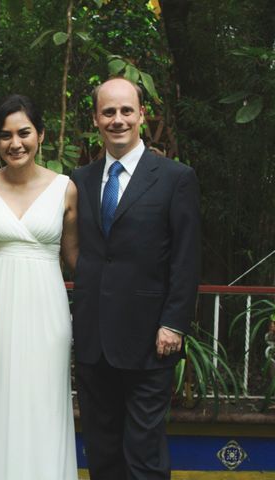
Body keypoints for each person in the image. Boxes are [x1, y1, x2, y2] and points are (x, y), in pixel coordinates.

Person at [71, 77, 200, 480]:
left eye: (127, 110)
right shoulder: (79, 180)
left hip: (150, 340)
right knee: (102, 450)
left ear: (142, 114)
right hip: (94, 341)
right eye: (108, 112)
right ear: (95, 119)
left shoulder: (175, 177)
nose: (118, 119)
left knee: (144, 454)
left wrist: (173, 323)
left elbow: (186, 257)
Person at [0, 94, 79, 480]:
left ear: (41, 135)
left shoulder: (66, 188)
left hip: (47, 312)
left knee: (43, 406)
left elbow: (78, 260)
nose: (15, 143)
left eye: (24, 133)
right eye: (5, 135)